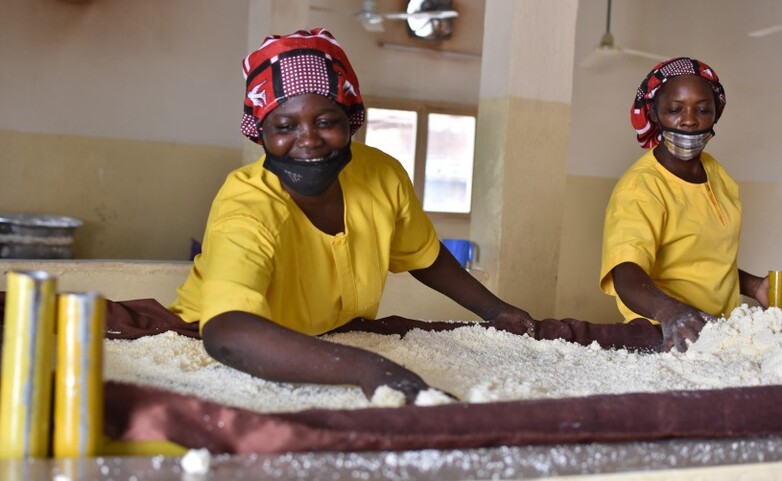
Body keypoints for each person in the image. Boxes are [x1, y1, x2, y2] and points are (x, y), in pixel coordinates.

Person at [168, 28, 535, 404]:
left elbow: (423, 255)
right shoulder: (247, 205)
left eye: (326, 121)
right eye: (285, 126)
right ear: (261, 133)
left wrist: (496, 310)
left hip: (327, 338)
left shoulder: (381, 175)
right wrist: (369, 368)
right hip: (222, 346)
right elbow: (229, 332)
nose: (308, 139)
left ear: (351, 120)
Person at [599, 57, 768, 353]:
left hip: (719, 331)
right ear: (654, 112)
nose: (689, 120)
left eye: (702, 109)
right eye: (675, 109)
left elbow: (701, 259)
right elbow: (625, 272)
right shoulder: (641, 186)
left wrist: (755, 287)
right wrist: (668, 312)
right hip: (665, 334)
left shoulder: (716, 173)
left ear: (716, 113)